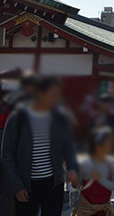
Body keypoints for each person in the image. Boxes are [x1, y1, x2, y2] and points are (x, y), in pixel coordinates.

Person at [1, 75, 79, 216]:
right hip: (26, 185)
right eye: (52, 94)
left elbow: (68, 145)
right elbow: (7, 155)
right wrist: (17, 186)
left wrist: (72, 168)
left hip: (54, 183)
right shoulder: (18, 118)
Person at [72, 127, 114, 216]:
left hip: (104, 209)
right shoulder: (85, 164)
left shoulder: (112, 164)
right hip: (85, 209)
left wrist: (101, 179)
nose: (111, 145)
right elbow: (77, 185)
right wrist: (74, 181)